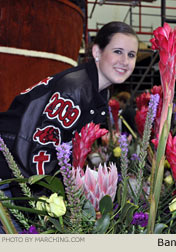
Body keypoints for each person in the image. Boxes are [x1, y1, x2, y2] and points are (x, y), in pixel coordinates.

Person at [0, 21, 138, 199]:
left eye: (131, 54)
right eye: (118, 51)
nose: (125, 61)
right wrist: (40, 208)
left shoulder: (98, 91)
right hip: (11, 170)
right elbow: (38, 149)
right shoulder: (75, 88)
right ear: (97, 52)